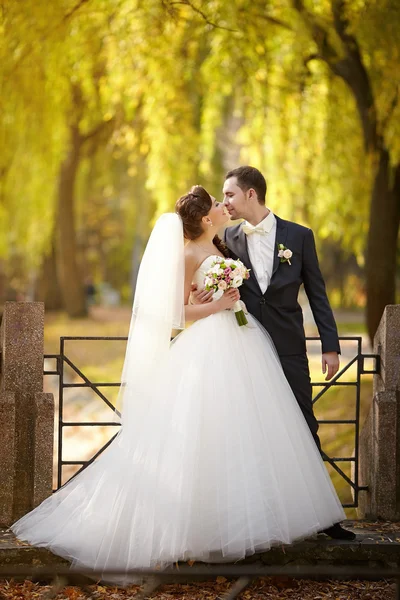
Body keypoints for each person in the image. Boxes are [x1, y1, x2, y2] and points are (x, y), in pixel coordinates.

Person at [11, 186, 347, 586]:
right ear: (206, 218)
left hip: (242, 341)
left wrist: (228, 298)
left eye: (227, 199)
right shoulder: (187, 254)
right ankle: (191, 527)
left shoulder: (225, 245)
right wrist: (216, 305)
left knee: (245, 429)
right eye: (218, 204)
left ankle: (243, 515)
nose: (225, 208)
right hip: (207, 345)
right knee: (197, 432)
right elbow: (175, 313)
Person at [192, 167, 355, 541]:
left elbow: (317, 294)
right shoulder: (226, 238)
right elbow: (202, 272)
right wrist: (198, 297)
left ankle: (325, 517)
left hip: (287, 346)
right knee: (248, 429)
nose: (225, 202)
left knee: (304, 423)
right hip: (243, 348)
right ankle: (260, 516)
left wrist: (330, 346)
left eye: (229, 195)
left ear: (252, 194)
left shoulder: (299, 236)